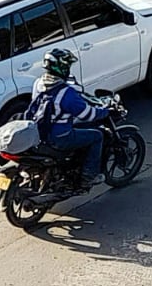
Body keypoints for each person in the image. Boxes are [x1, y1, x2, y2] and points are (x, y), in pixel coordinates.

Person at [24, 48, 106, 187]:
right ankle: (89, 176)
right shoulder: (66, 93)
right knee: (97, 136)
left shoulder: (38, 83)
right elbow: (87, 115)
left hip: (39, 132)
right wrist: (104, 111)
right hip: (60, 137)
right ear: (62, 67)